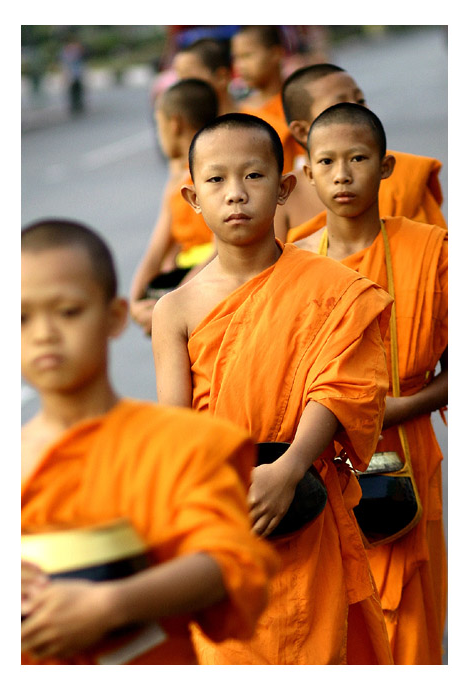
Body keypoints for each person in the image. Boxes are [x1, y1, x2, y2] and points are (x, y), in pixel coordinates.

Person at [151, 113, 395, 665]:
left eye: (254, 176)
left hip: (305, 499)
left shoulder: (330, 287)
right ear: (192, 196)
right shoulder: (177, 309)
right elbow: (176, 422)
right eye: (216, 180)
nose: (236, 194)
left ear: (284, 188)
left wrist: (289, 469)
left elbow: (343, 386)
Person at [21, 218, 278, 665]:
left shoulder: (178, 443)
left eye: (67, 311)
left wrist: (110, 605)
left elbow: (229, 561)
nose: (43, 333)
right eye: (20, 318)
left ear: (115, 317)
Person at [298, 102, 448, 664]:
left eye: (358, 159)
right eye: (328, 162)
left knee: (407, 632)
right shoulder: (293, 265)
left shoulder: (432, 252)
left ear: (385, 167)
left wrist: (395, 409)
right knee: (332, 630)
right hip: (319, 470)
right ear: (308, 174)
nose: (342, 175)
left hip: (403, 462)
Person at [275, 63, 447, 240]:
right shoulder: (283, 198)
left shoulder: (405, 177)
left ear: (385, 168)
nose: (356, 112)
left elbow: (430, 253)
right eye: (340, 106)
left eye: (360, 101)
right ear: (302, 131)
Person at [130, 78, 218, 335]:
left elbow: (221, 251)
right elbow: (157, 249)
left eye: (158, 126)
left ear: (174, 124)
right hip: (183, 285)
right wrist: (136, 302)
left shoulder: (214, 178)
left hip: (207, 285)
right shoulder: (176, 183)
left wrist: (174, 302)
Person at [231, 26, 304, 174]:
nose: (239, 66)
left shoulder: (299, 100)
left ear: (276, 53)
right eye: (236, 58)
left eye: (247, 55)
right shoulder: (242, 113)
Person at [172, 38, 238, 115]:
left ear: (221, 77)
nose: (180, 88)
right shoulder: (188, 125)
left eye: (189, 80)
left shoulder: (251, 119)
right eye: (179, 80)